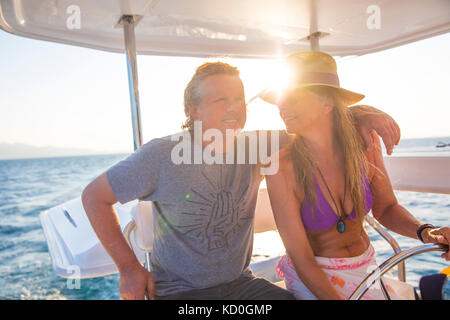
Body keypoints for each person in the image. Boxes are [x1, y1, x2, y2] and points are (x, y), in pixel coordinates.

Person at [81, 60, 402, 300]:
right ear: (193, 109)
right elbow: (93, 197)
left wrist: (363, 114)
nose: (234, 108)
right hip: (180, 294)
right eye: (221, 100)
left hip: (242, 287)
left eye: (238, 99)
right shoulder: (160, 155)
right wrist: (128, 269)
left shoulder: (258, 145)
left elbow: (319, 124)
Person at [260, 51, 450, 300]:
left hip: (367, 268)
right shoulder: (282, 167)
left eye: (294, 97)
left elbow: (388, 208)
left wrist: (427, 232)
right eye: (281, 99)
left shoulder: (364, 143)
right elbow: (301, 257)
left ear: (327, 103)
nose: (283, 106)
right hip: (314, 277)